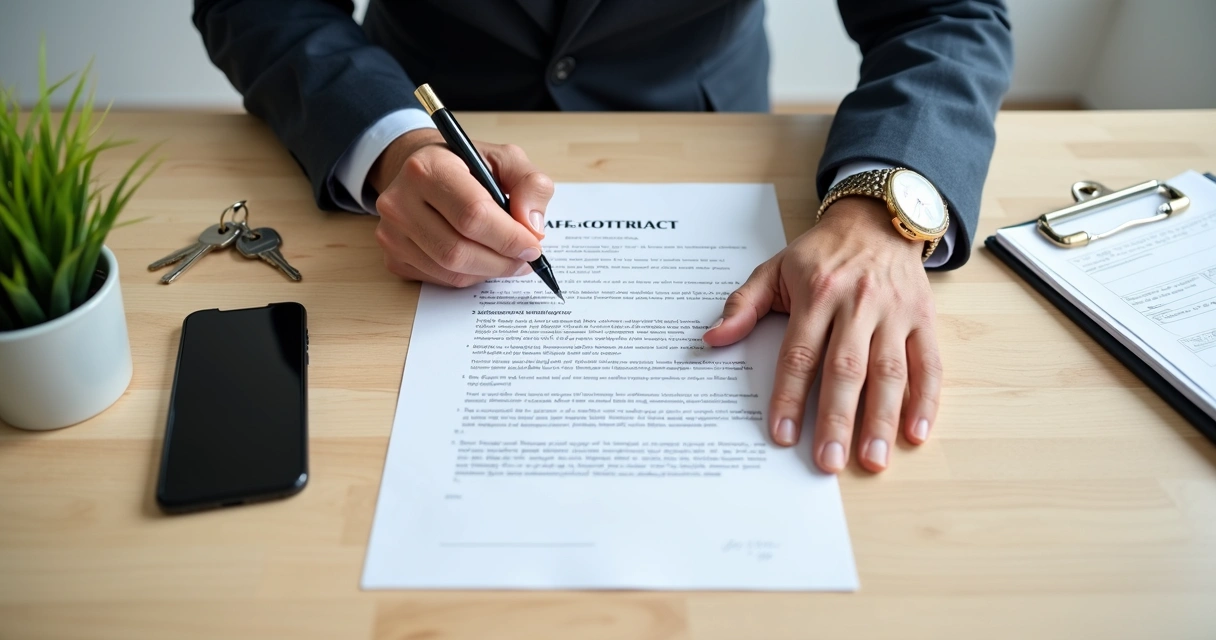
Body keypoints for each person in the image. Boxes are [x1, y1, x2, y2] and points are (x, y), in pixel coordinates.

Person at [194, 0, 1013, 474]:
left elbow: (945, 10)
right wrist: (389, 145)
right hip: (429, 115)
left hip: (707, 129)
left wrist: (882, 203)